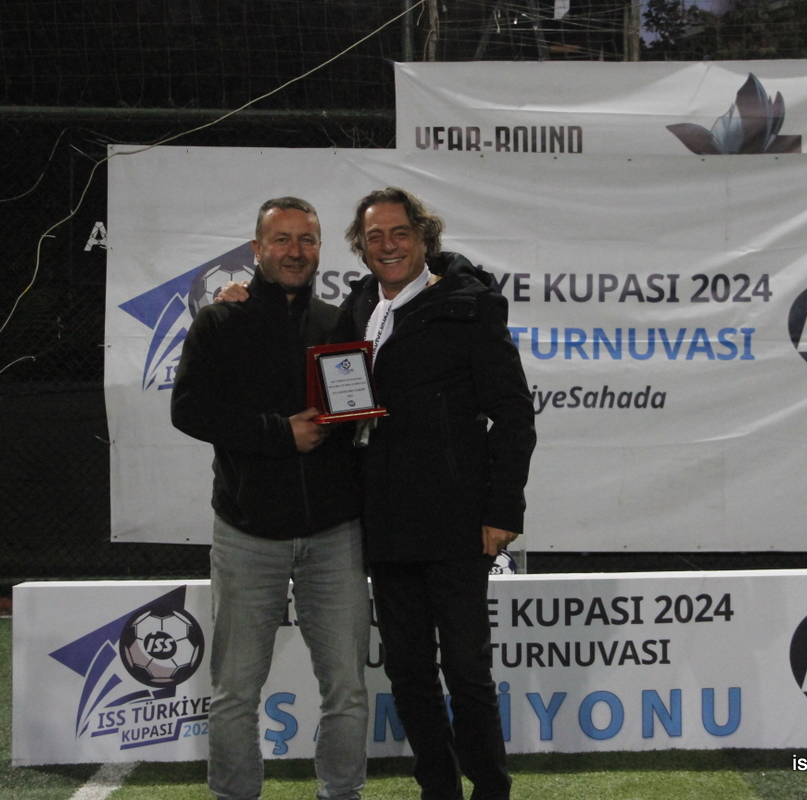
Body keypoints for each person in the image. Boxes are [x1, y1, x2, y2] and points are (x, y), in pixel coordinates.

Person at [171, 197, 370, 800]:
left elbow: (354, 409)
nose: (295, 251)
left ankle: (342, 793)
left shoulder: (339, 323)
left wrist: (353, 421)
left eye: (306, 240)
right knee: (235, 690)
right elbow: (190, 411)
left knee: (347, 688)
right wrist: (281, 434)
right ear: (256, 250)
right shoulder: (219, 322)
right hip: (248, 533)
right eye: (281, 239)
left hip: (334, 533)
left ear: (320, 249)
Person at [343, 187, 536, 800]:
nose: (387, 245)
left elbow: (514, 414)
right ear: (361, 246)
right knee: (407, 673)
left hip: (457, 522)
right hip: (385, 522)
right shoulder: (357, 306)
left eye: (399, 232)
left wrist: (503, 508)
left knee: (467, 672)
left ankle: (492, 789)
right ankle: (438, 789)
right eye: (374, 236)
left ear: (424, 237)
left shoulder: (469, 306)